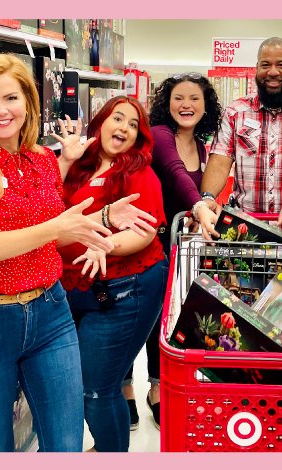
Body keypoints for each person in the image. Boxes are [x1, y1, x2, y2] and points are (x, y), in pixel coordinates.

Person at [0, 53, 155, 452]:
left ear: (28, 103)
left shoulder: (41, 160)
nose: (1, 111)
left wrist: (100, 217)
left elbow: (49, 238)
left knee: (65, 446)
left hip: (51, 314)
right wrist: (58, 226)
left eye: (11, 98)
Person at [53, 96, 167, 452]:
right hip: (73, 289)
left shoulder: (138, 174)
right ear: (100, 122)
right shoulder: (79, 168)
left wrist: (105, 245)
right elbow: (41, 208)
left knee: (97, 389)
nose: (123, 128)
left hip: (126, 290)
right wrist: (64, 160)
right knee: (88, 385)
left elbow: (145, 230)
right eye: (117, 118)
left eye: (133, 125)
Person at [120, 72, 222, 430]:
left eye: (195, 98)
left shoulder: (204, 145)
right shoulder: (160, 136)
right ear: (167, 103)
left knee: (165, 317)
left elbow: (197, 188)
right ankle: (125, 387)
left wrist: (201, 211)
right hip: (140, 239)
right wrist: (198, 206)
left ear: (205, 105)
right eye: (179, 98)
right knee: (136, 315)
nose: (186, 105)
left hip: (174, 245)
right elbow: (176, 174)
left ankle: (157, 388)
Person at [192, 37, 282, 236]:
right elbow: (219, 161)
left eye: (281, 65)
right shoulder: (236, 111)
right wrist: (208, 197)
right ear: (256, 68)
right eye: (265, 65)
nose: (273, 72)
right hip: (243, 229)